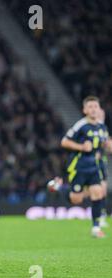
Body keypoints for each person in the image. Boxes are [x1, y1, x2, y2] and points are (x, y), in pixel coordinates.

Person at [49, 96, 109, 238]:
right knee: (77, 200)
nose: (93, 109)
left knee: (98, 193)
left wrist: (104, 148)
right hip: (79, 167)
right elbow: (64, 141)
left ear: (99, 109)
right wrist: (81, 147)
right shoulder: (81, 125)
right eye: (90, 107)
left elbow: (104, 144)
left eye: (95, 106)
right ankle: (58, 188)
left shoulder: (102, 127)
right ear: (84, 110)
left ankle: (96, 228)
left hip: (94, 167)